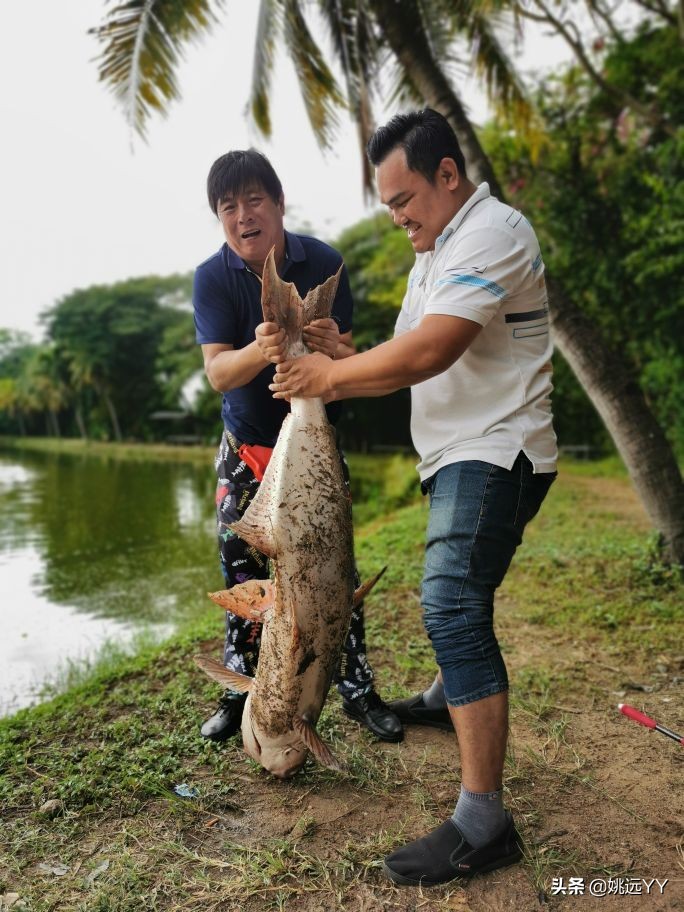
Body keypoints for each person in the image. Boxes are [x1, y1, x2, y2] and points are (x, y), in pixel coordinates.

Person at [267, 109, 557, 886]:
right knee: (460, 594)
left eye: (403, 200)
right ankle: (445, 694)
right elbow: (397, 358)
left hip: (496, 450)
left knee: (452, 602)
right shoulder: (433, 255)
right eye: (388, 205)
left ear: (448, 175)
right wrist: (341, 353)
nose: (397, 218)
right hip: (458, 453)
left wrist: (328, 376)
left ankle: (484, 822)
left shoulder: (492, 232)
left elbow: (431, 350)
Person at [192, 148, 402, 747]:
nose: (243, 215)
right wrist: (263, 349)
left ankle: (358, 691)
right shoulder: (211, 277)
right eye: (228, 207)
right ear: (219, 217)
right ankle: (239, 695)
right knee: (242, 574)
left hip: (315, 446)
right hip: (247, 451)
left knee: (335, 574)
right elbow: (218, 373)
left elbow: (352, 359)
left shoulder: (325, 261)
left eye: (254, 200)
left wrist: (332, 345)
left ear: (280, 204)